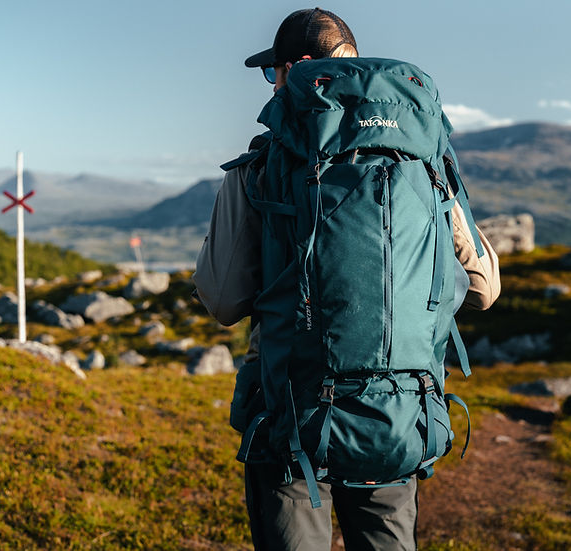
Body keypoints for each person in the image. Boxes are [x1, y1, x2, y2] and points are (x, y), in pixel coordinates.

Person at [194, 8, 501, 550]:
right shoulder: (425, 159)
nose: (273, 84)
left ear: (298, 69)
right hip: (399, 408)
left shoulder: (259, 169)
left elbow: (222, 300)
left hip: (290, 414)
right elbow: (482, 289)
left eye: (274, 72)